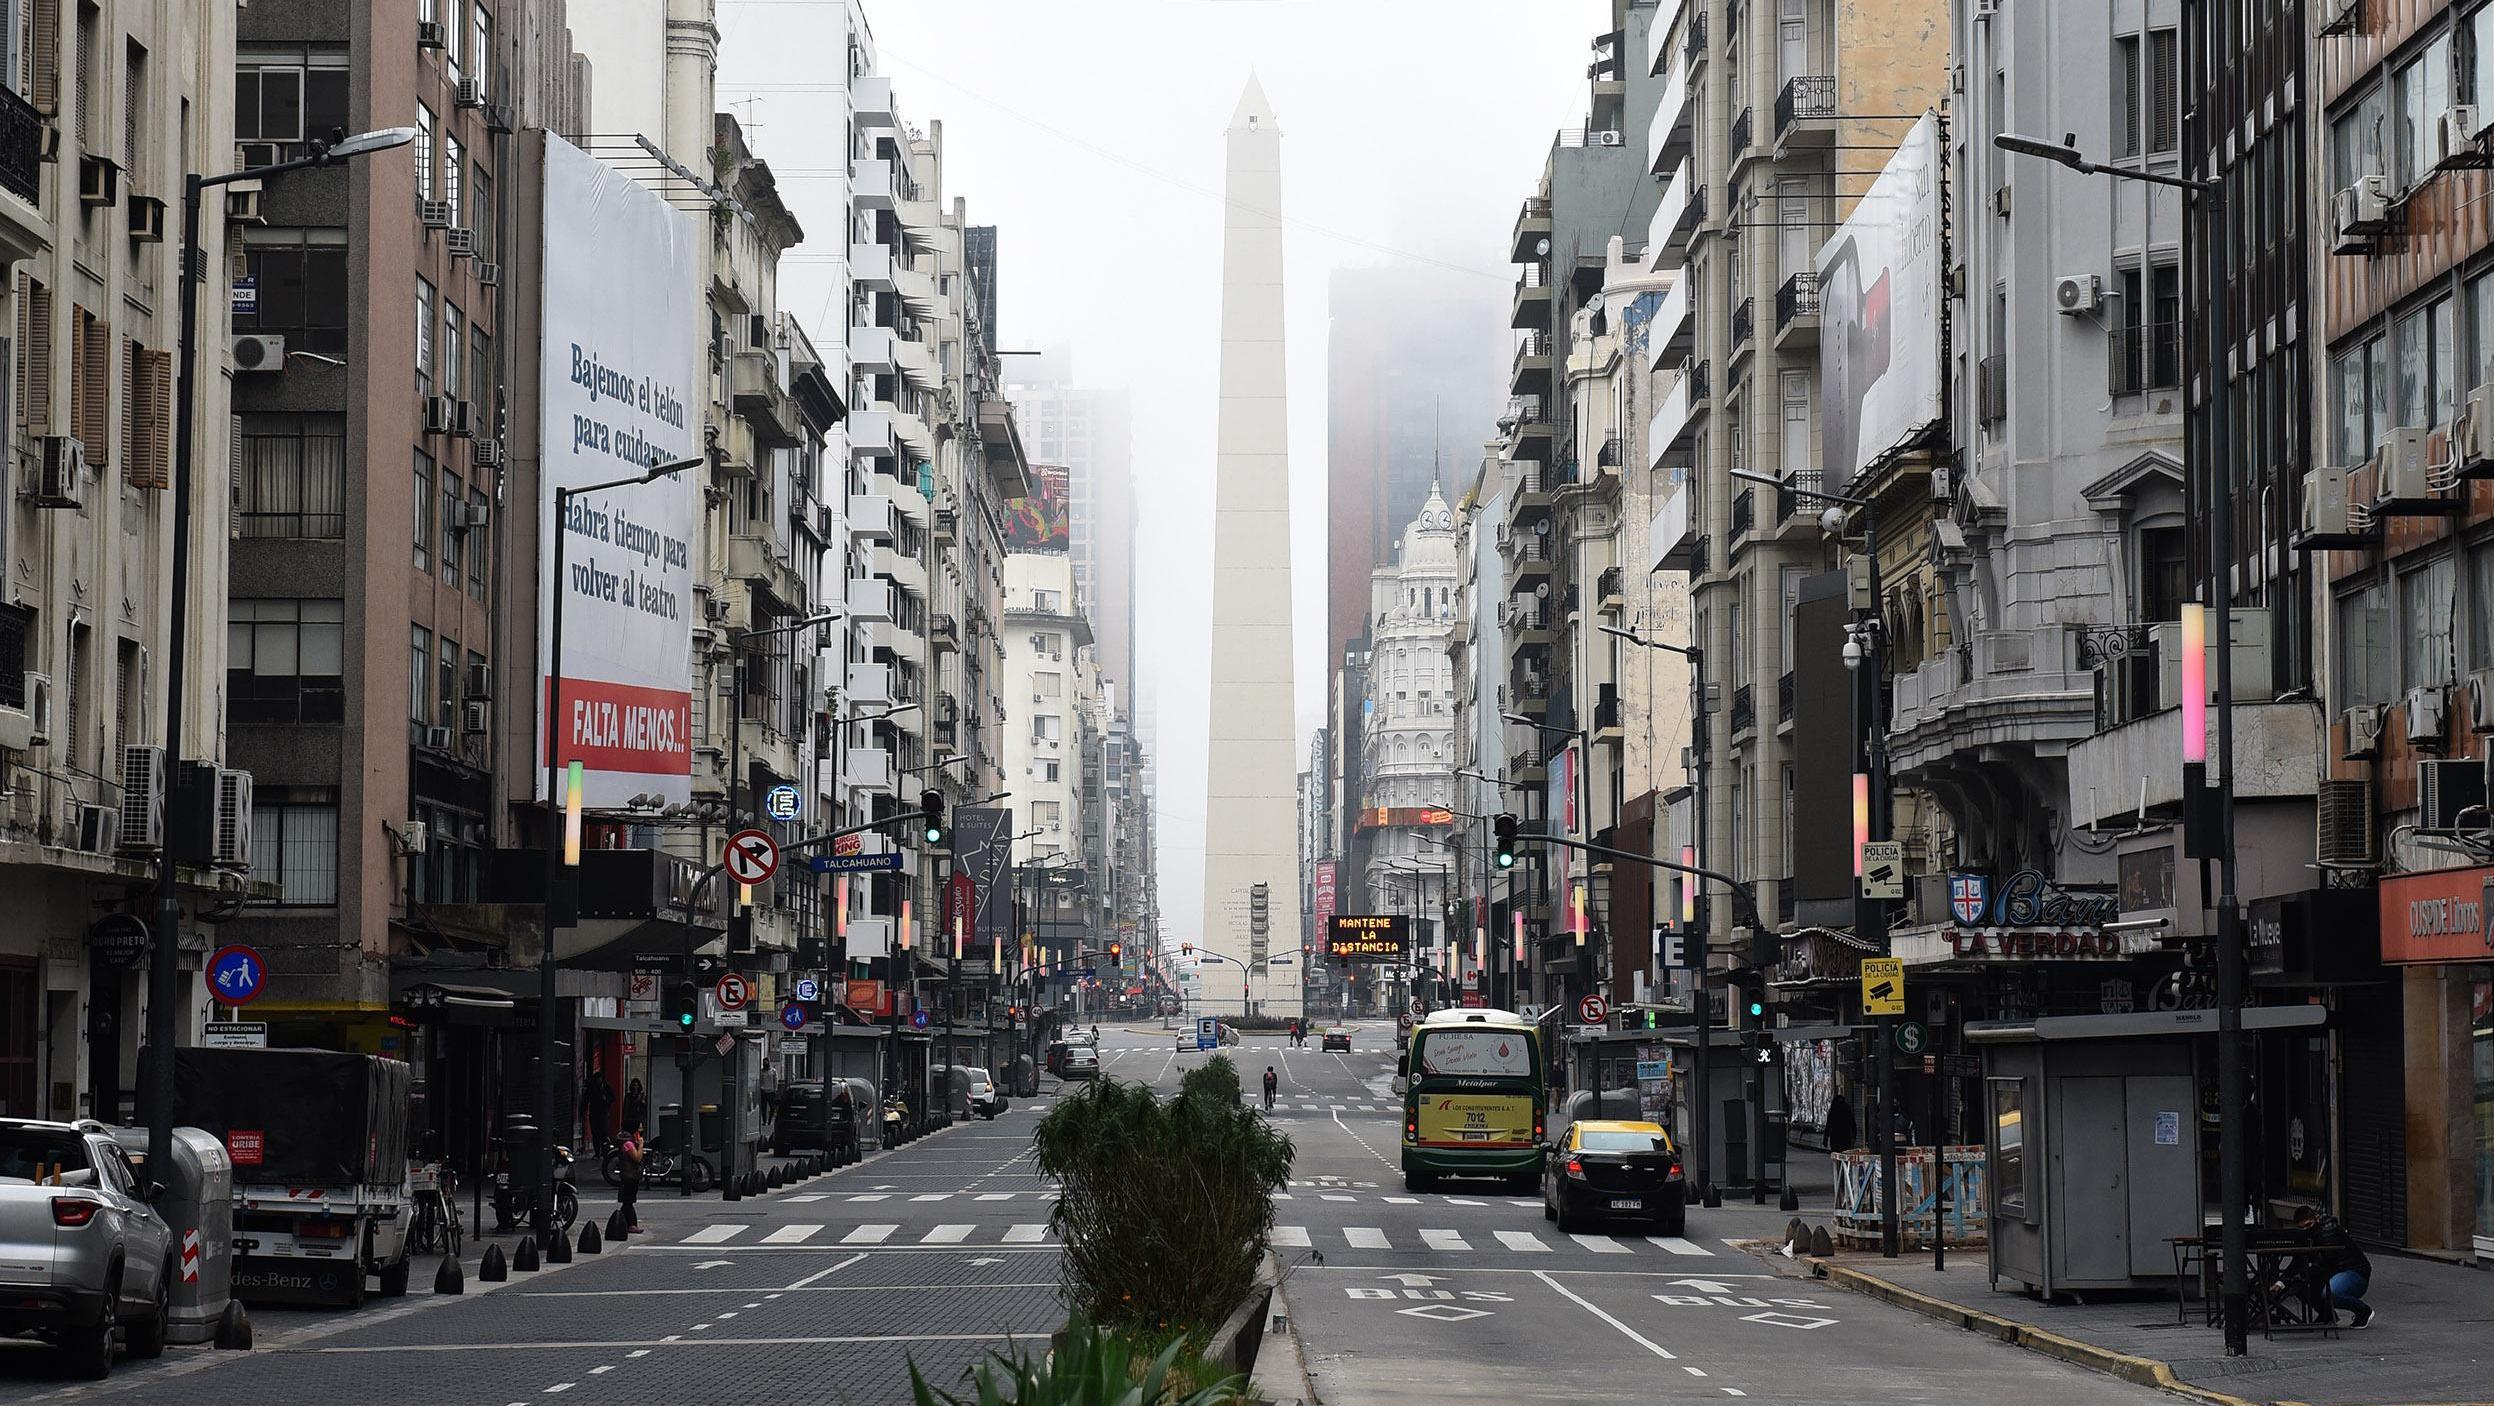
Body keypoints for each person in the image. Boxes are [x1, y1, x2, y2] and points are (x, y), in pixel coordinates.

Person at [2286, 1203, 2374, 1328]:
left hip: (2353, 1271)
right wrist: (2283, 1282)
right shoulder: (2310, 1235)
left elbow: (2324, 1261)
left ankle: (2363, 1311)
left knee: (2331, 1293)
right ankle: (2326, 1314)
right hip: (2333, 1271)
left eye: (2309, 1225)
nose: (2306, 1230)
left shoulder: (2328, 1231)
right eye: (2302, 1228)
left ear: (2316, 1219)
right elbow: (2299, 1261)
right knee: (2298, 1285)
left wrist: (2302, 1275)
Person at [615, 1123, 645, 1234]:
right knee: (628, 1201)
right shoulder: (628, 1143)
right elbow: (637, 1157)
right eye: (639, 1129)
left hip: (631, 1175)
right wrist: (641, 1145)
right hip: (629, 1176)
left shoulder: (628, 1142)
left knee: (627, 1202)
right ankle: (631, 1224)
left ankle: (621, 1222)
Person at [580, 1060, 614, 1149]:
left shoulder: (606, 1087)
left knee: (604, 1133)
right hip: (595, 1112)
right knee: (596, 1133)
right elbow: (586, 1099)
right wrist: (583, 1110)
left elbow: (612, 1097)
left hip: (603, 1113)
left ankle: (603, 1150)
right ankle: (598, 1152)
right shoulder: (592, 1087)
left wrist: (606, 1100)